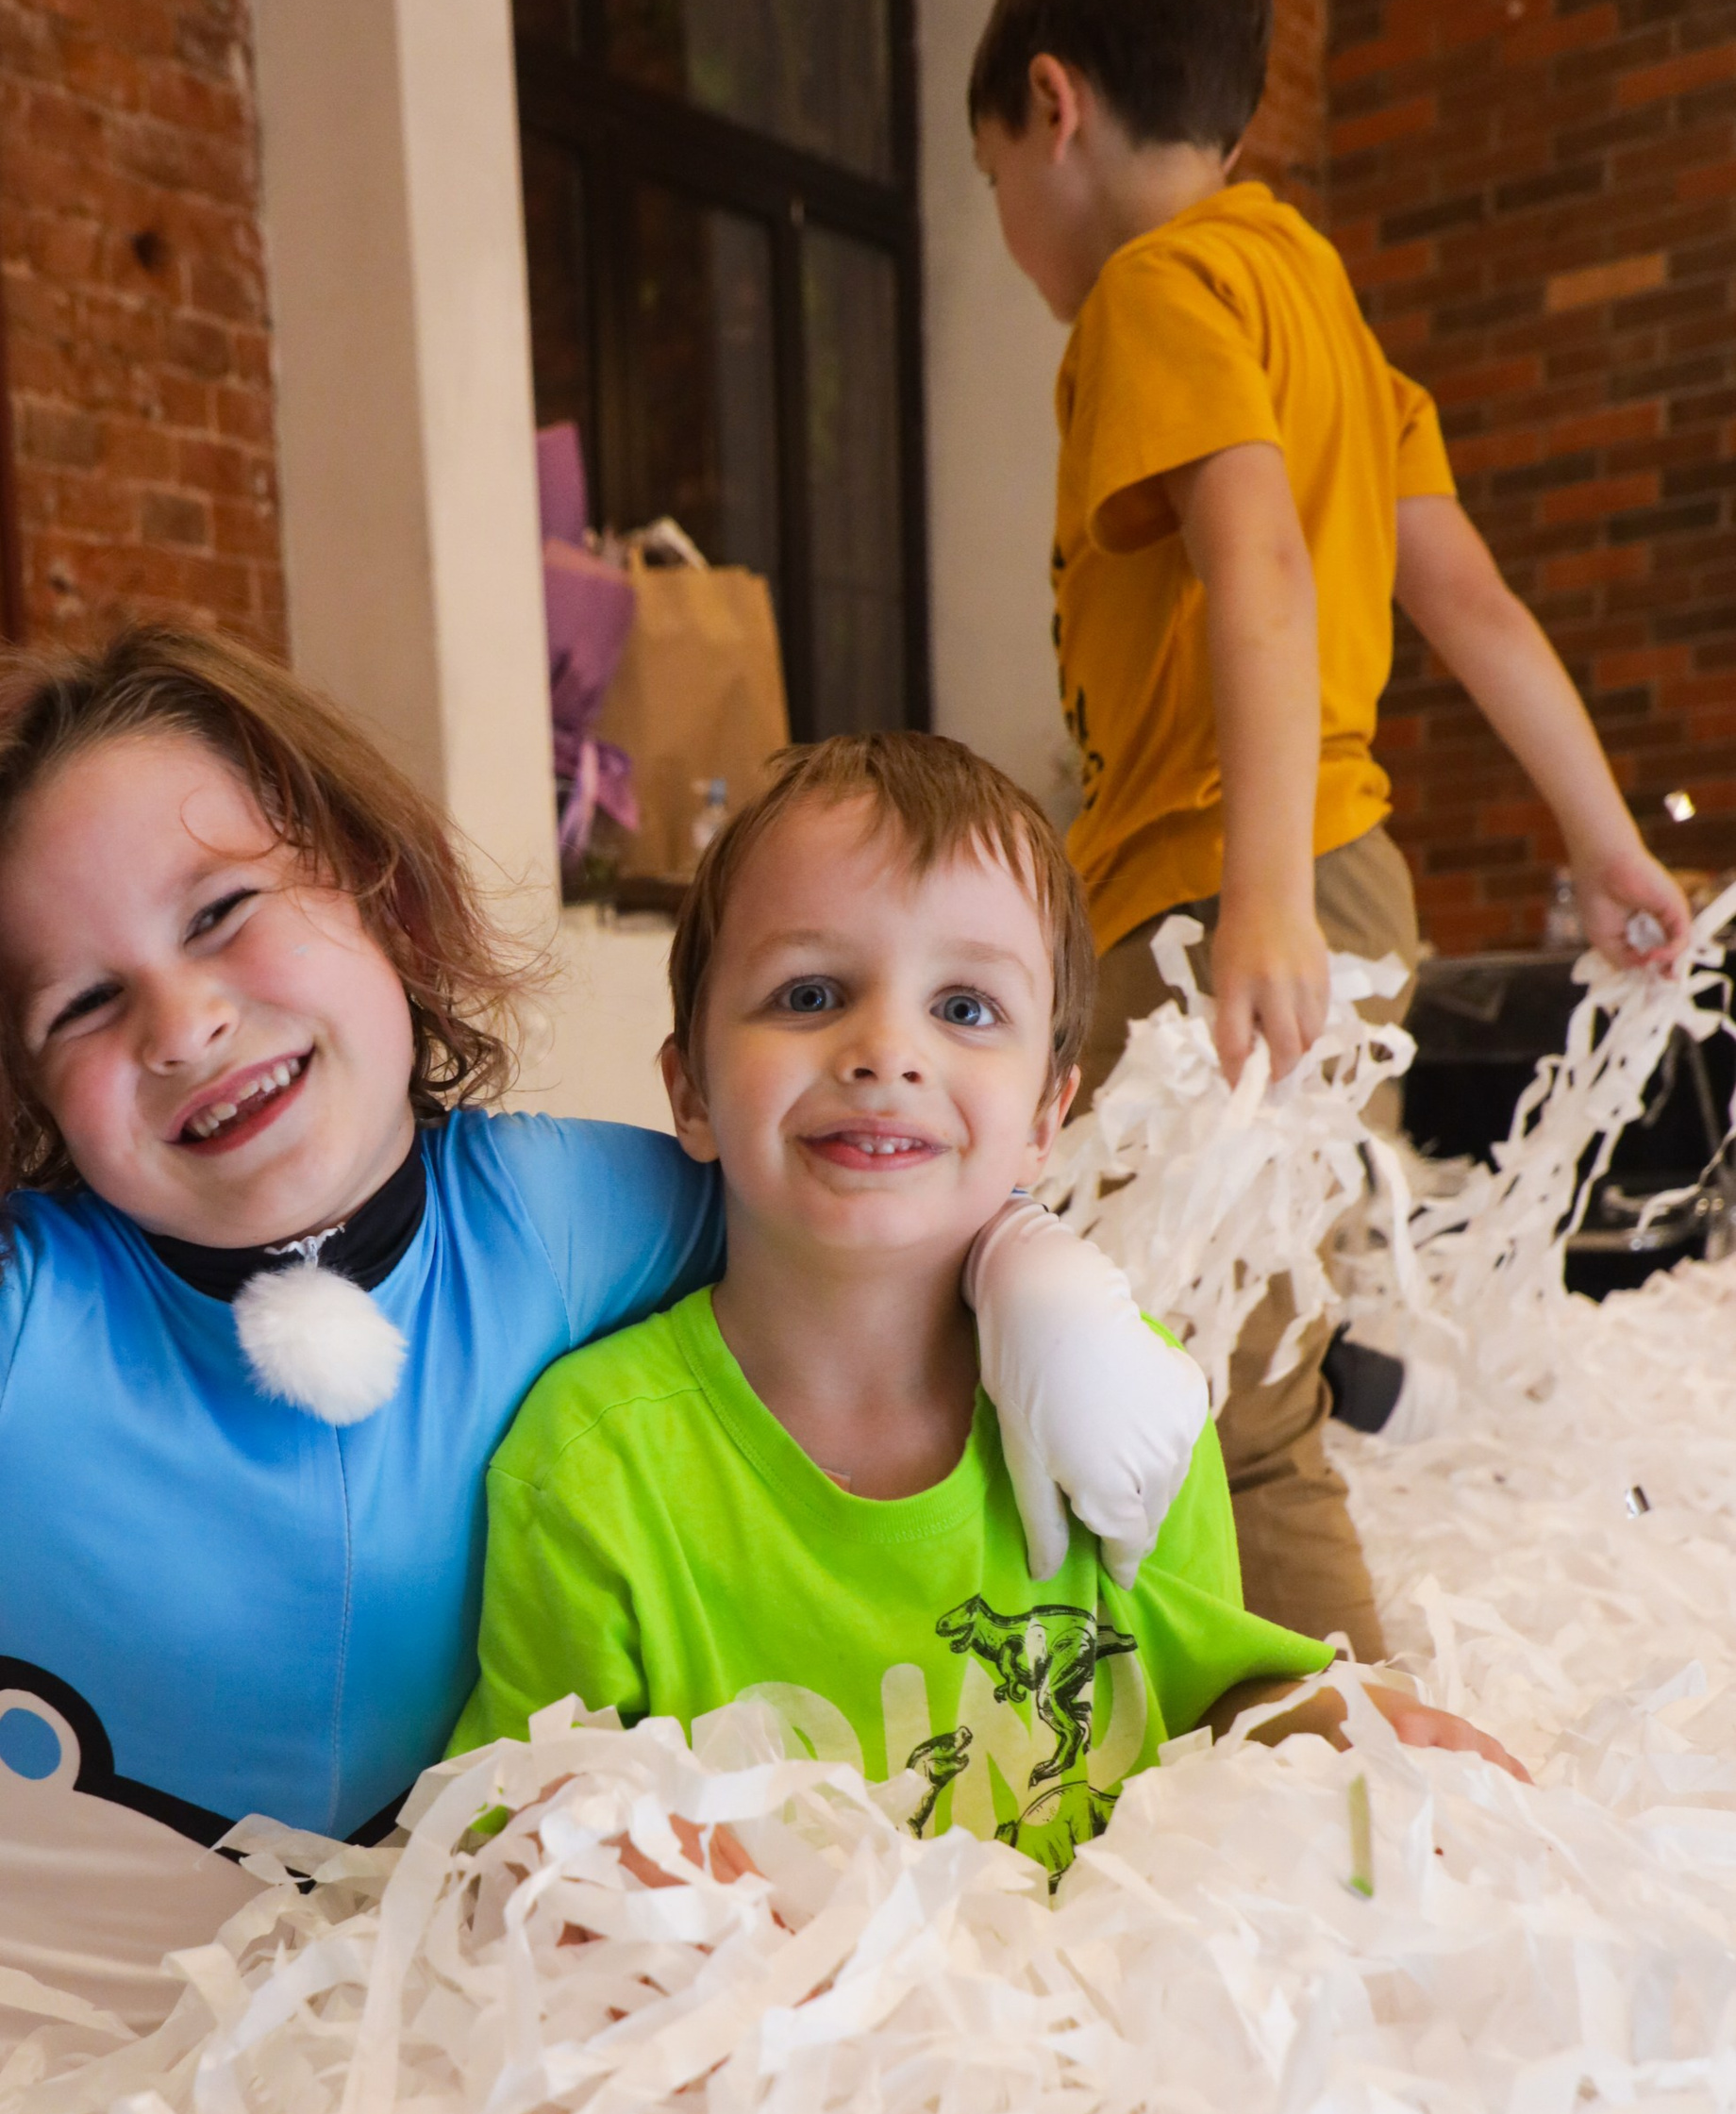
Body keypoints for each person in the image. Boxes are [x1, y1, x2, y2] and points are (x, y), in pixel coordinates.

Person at [0, 625, 1206, 2084]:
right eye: (85, 1005)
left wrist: (1040, 1273)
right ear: (28, 1091)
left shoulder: (571, 1214)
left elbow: (855, 1194)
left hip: (362, 2091)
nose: (190, 1022)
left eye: (224, 917)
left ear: (378, 900)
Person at [967, 0, 1695, 1654]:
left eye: (992, 177)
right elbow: (1477, 602)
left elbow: (1261, 568)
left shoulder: (1157, 287)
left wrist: (1264, 898)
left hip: (1234, 894)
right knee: (1209, 1314)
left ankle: (1320, 1721)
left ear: (1052, 108)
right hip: (1340, 883)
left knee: (1219, 1370)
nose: (1009, 227)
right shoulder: (1325, 312)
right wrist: (1607, 847)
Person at [452, 734, 1519, 1853]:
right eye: (809, 993)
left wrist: (1342, 1737)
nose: (885, 1049)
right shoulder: (591, 1464)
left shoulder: (1127, 1404)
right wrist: (604, 1849)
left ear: (1048, 1117)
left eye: (963, 1009)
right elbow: (504, 1826)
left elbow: (1212, 1703)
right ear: (693, 1092)